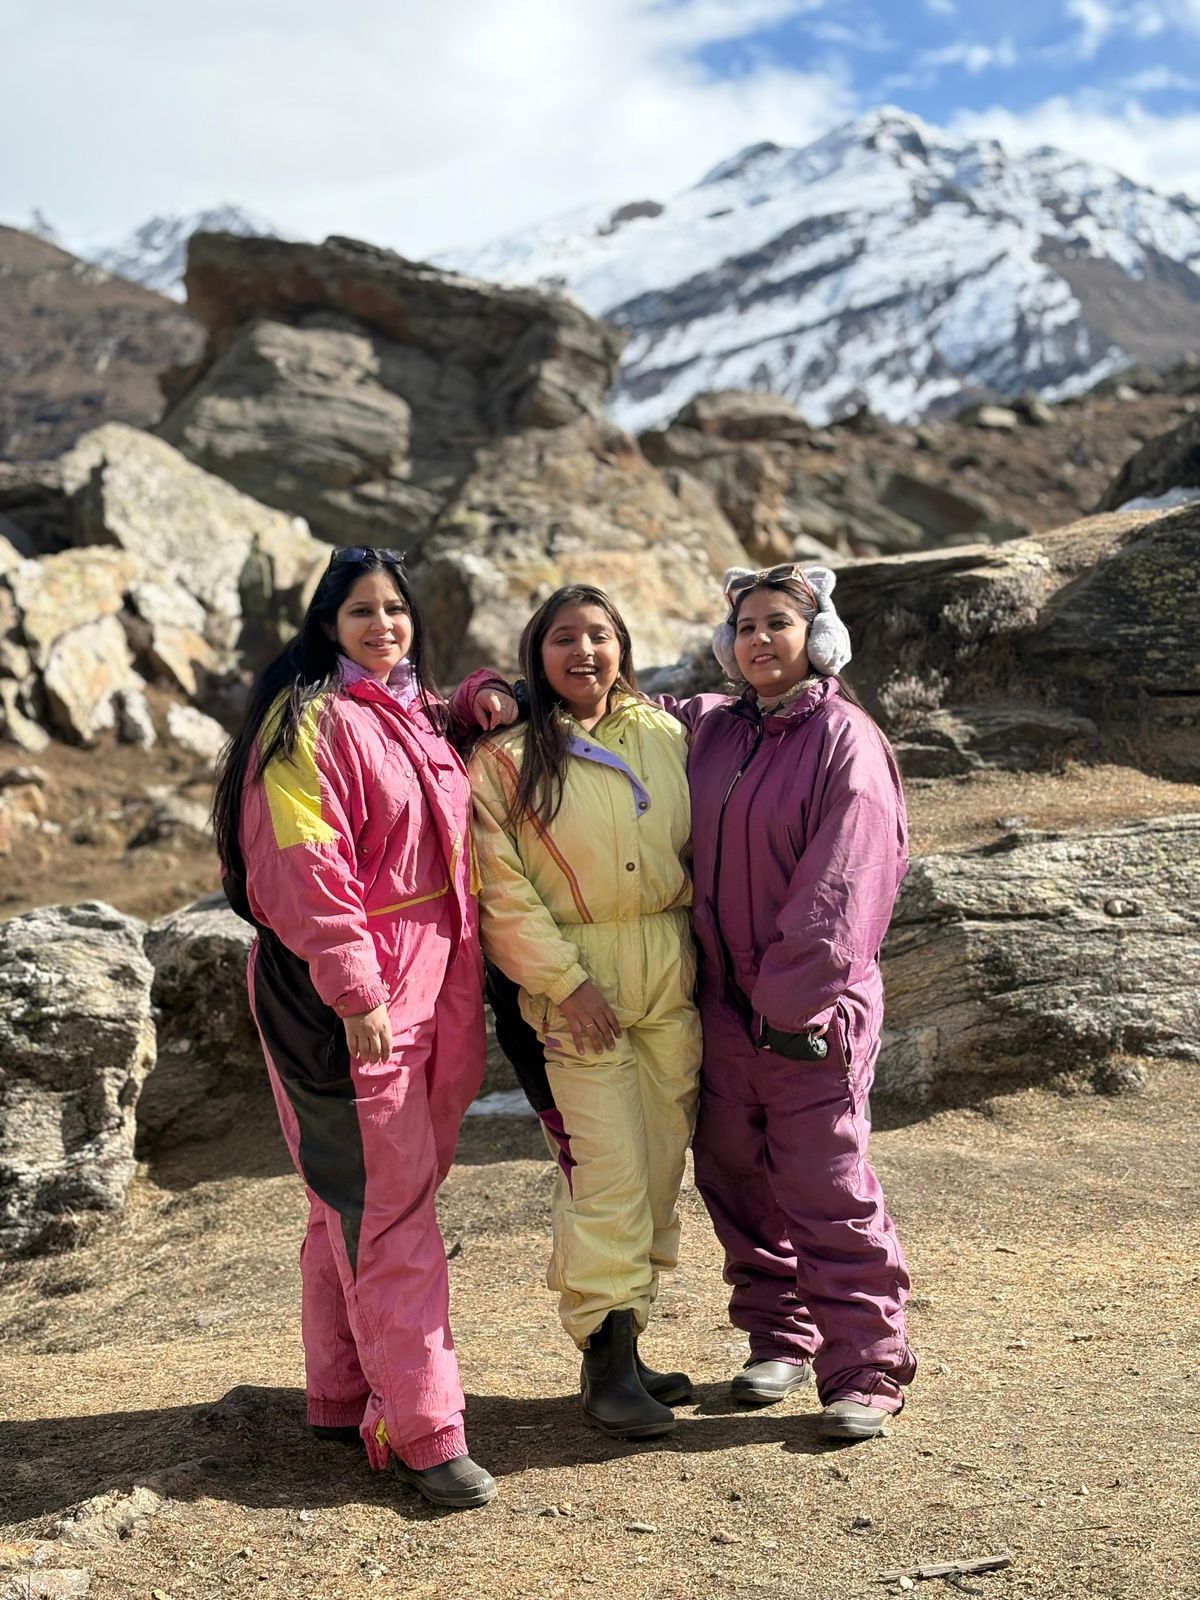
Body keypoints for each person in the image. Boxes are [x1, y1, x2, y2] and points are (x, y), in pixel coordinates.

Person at [211, 546, 497, 1510]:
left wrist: (484, 698)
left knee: (352, 1197)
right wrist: (357, 993)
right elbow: (305, 868)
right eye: (363, 612)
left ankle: (339, 1394)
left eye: (396, 609)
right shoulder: (307, 725)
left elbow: (451, 725)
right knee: (385, 1205)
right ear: (327, 624)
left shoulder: (400, 708)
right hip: (347, 994)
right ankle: (425, 1430)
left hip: (424, 979)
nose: (384, 626)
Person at [676, 563, 916, 1440]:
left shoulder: (846, 739)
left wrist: (790, 1007)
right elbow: (617, 712)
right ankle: (780, 1337)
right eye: (745, 627)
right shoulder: (711, 730)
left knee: (827, 1187)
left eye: (778, 623)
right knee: (736, 1178)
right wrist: (494, 699)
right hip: (722, 1010)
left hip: (810, 1016)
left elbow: (844, 886)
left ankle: (865, 1369)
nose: (759, 640)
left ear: (819, 640)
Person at [459, 585, 701, 1441]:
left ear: (622, 647)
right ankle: (604, 1362)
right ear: (539, 654)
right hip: (577, 986)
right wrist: (564, 983)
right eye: (565, 638)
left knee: (661, 1164)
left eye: (600, 635)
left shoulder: (667, 735)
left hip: (669, 969)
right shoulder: (505, 759)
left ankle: (631, 1340)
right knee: (606, 1172)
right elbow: (500, 889)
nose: (585, 651)